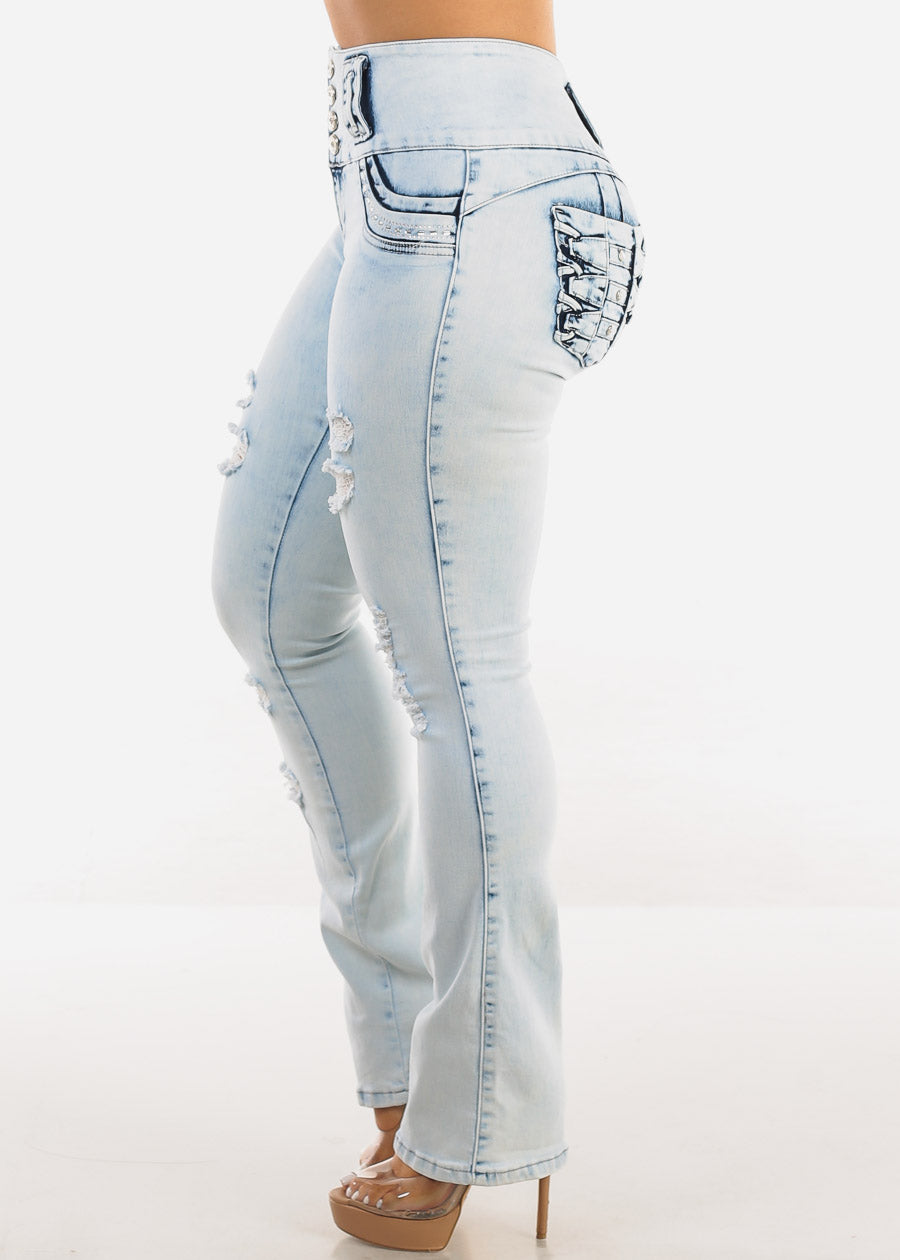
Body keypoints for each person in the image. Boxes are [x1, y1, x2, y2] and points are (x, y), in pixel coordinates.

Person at [210, 0, 645, 1249]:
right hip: (393, 168)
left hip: (470, 174)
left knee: (459, 659)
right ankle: (412, 1049)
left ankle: (483, 1112)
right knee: (271, 597)